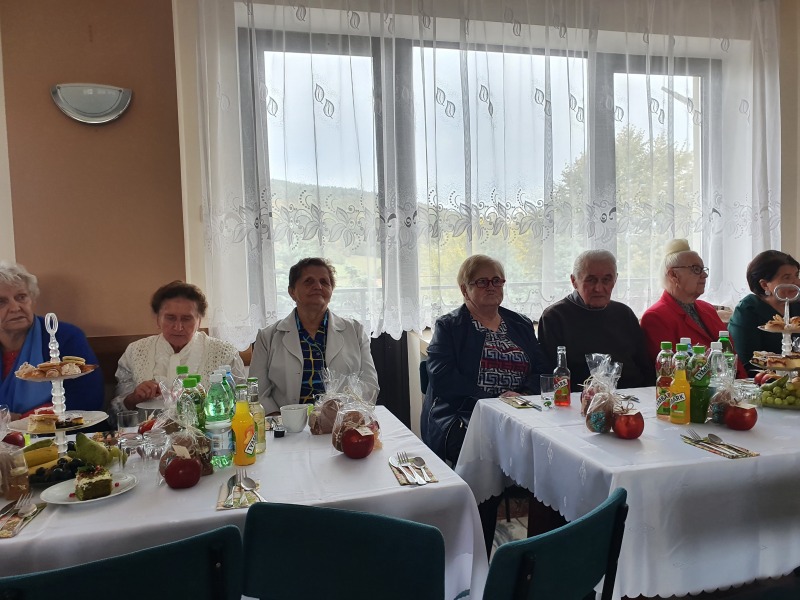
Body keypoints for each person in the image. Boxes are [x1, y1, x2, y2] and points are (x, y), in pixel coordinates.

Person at [421, 254, 548, 558]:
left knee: (551, 453)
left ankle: (538, 555)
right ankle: (475, 557)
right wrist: (491, 402)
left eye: (497, 280)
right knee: (486, 456)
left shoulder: (519, 323)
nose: (491, 286)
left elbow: (543, 370)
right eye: (481, 281)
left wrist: (521, 395)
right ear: (464, 289)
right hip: (465, 416)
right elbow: (443, 379)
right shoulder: (449, 326)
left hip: (519, 411)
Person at [249, 257, 379, 414]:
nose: (318, 286)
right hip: (286, 424)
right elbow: (257, 392)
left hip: (342, 421)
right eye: (308, 281)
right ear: (292, 292)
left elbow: (369, 385)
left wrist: (344, 417)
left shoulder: (355, 331)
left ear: (331, 290)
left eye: (324, 282)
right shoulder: (267, 337)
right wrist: (281, 421)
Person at [111, 281, 244, 415]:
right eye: (170, 318)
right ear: (158, 319)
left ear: (199, 321)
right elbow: (115, 414)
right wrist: (134, 397)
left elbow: (242, 406)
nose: (178, 327)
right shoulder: (135, 352)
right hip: (146, 428)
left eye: (186, 319)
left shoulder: (224, 354)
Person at [0, 261, 103, 419]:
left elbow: (88, 398)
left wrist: (21, 420)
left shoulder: (65, 336)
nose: (15, 308)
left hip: (64, 431)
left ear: (32, 299)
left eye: (21, 297)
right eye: (1, 302)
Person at [538, 250, 654, 388]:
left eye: (606, 280)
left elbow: (645, 368)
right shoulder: (555, 317)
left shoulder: (625, 314)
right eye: (591, 280)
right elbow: (551, 375)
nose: (599, 288)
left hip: (633, 395)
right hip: (581, 396)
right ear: (574, 281)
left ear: (615, 280)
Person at [640, 239, 747, 377]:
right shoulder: (655, 317)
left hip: (730, 385)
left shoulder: (707, 308)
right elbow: (671, 372)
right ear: (673, 275)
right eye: (696, 269)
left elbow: (731, 357)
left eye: (703, 269)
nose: (705, 275)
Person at [729, 250, 800, 374]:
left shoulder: (797, 304)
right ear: (764, 285)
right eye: (787, 277)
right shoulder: (748, 310)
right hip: (764, 381)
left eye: (796, 275)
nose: (797, 282)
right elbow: (746, 363)